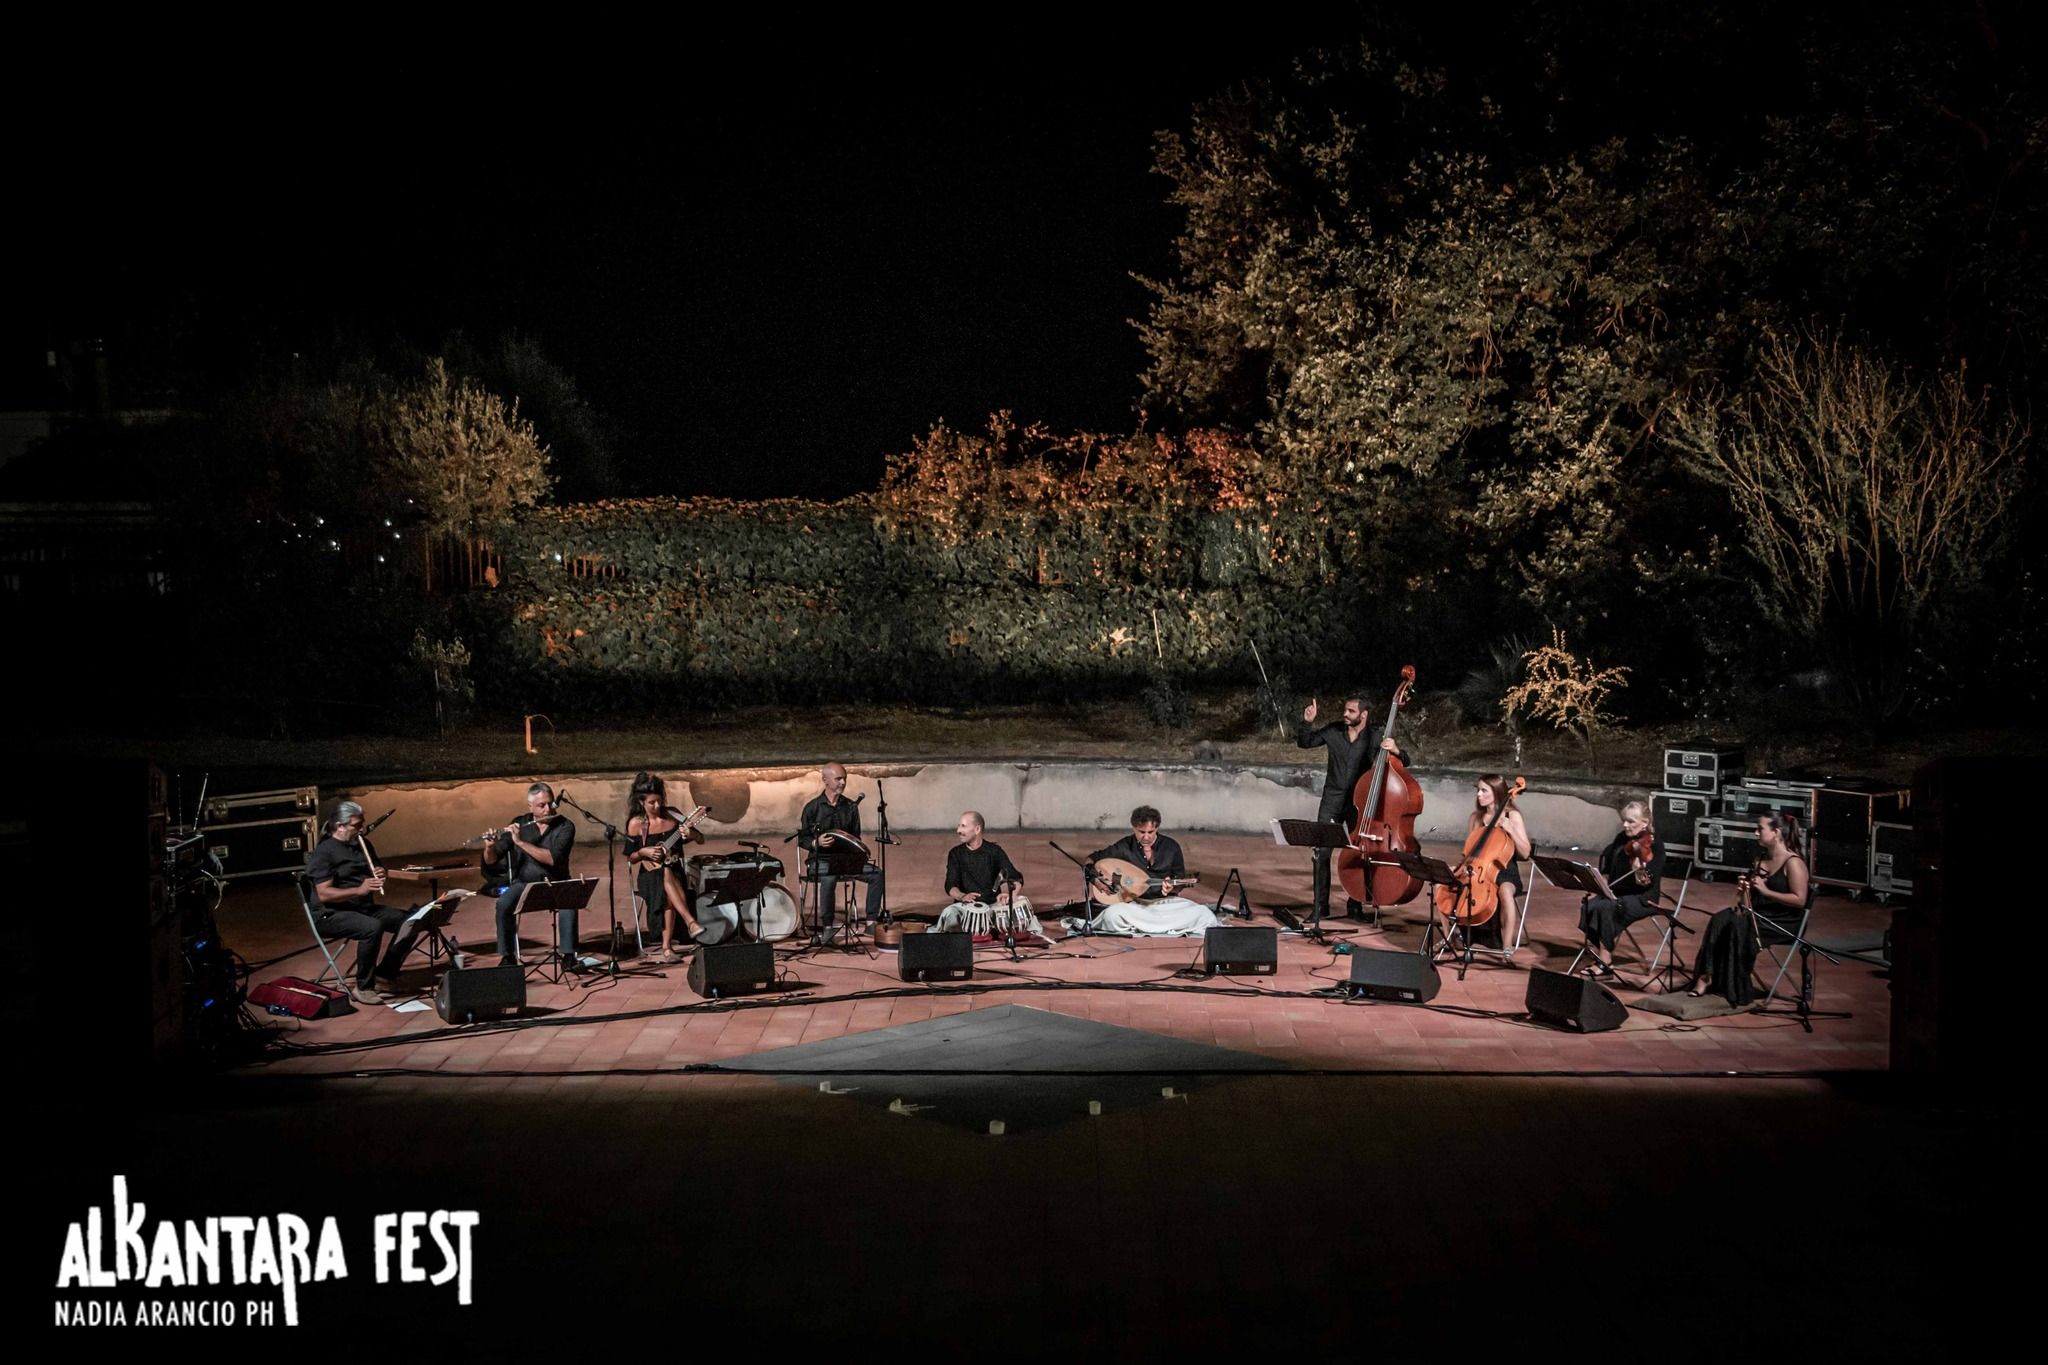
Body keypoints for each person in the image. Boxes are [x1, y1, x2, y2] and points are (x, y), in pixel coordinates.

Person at [304, 801, 423, 1003]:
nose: (361, 829)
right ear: (339, 826)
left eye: (362, 824)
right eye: (356, 826)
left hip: (361, 907)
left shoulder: (362, 844)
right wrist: (359, 890)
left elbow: (376, 869)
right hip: (330, 913)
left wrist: (380, 873)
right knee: (371, 927)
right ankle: (363, 987)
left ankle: (384, 975)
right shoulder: (325, 852)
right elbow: (324, 894)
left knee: (410, 921)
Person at [1297, 694, 1401, 920]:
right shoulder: (1334, 731)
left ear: (1363, 715)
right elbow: (1304, 742)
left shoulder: (1376, 737)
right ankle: (1320, 907)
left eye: (1351, 711)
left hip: (1359, 804)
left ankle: (1355, 905)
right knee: (1321, 852)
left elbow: (1403, 763)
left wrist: (1396, 750)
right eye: (1345, 710)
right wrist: (1307, 722)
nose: (1345, 714)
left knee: (1360, 853)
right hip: (1332, 801)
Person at [1690, 812, 1808, 1005]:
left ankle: (1735, 986)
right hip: (1757, 915)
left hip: (1783, 921)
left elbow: (1800, 900)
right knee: (1720, 918)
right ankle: (1706, 975)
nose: (1756, 833)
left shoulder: (1793, 863)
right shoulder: (1760, 860)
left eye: (1760, 829)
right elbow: (1746, 905)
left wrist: (1766, 891)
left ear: (1777, 832)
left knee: (1738, 926)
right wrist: (1743, 891)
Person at [1066, 806, 1218, 936]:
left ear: (1157, 828)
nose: (1146, 837)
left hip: (1164, 904)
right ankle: (1161, 927)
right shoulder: (1125, 846)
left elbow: (1179, 881)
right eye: (1141, 832)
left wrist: (1172, 887)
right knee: (1113, 915)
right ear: (1134, 828)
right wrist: (1095, 879)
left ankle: (1143, 926)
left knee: (1205, 915)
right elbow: (1091, 859)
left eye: (1150, 832)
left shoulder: (1171, 847)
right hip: (1134, 905)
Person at [1439, 775, 1533, 956]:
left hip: (1505, 870)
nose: (1478, 794)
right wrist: (1460, 868)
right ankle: (1450, 936)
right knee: (1441, 884)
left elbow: (1525, 853)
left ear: (1497, 793)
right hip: (1476, 869)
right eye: (1478, 790)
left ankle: (1507, 945)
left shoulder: (1512, 816)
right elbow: (1468, 851)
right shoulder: (1475, 818)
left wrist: (1511, 830)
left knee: (1505, 892)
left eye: (1484, 791)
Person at [489, 782, 579, 970]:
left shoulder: (565, 826)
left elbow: (553, 858)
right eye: (541, 805)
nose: (548, 809)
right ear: (530, 807)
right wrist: (490, 846)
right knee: (503, 903)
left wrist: (520, 842)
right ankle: (507, 956)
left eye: (550, 803)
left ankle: (569, 955)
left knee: (570, 900)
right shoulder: (520, 823)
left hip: (556, 883)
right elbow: (492, 860)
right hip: (525, 884)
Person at [1575, 799, 1667, 979]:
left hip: (1643, 898)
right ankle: (1602, 950)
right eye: (1624, 820)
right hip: (1618, 892)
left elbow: (1647, 882)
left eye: (1631, 821)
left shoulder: (1655, 845)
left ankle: (1605, 962)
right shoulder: (1621, 839)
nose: (1625, 825)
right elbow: (1608, 862)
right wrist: (1601, 881)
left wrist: (1637, 869)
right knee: (1590, 906)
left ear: (1645, 823)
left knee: (1607, 908)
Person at [623, 773, 708, 964]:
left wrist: (691, 834)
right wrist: (643, 851)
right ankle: (689, 923)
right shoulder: (637, 824)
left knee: (668, 873)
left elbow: (701, 839)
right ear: (641, 802)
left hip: (676, 872)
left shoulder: (674, 815)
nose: (657, 806)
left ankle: (668, 948)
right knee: (664, 874)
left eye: (659, 801)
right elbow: (631, 857)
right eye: (651, 803)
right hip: (649, 876)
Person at [797, 762, 884, 944]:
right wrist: (816, 842)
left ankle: (871, 923)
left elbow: (856, 837)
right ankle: (827, 928)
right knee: (829, 877)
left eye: (845, 778)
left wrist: (856, 850)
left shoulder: (850, 806)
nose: (843, 783)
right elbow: (802, 838)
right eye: (838, 779)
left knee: (876, 874)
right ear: (825, 780)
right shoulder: (813, 808)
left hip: (845, 860)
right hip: (820, 861)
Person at [935, 811, 1042, 937]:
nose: (958, 830)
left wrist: (1010, 895)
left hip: (992, 906)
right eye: (959, 826)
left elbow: (1015, 878)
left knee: (1029, 919)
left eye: (963, 826)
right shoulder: (955, 854)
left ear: (977, 829)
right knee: (948, 914)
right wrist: (962, 896)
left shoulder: (994, 851)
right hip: (966, 907)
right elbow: (950, 885)